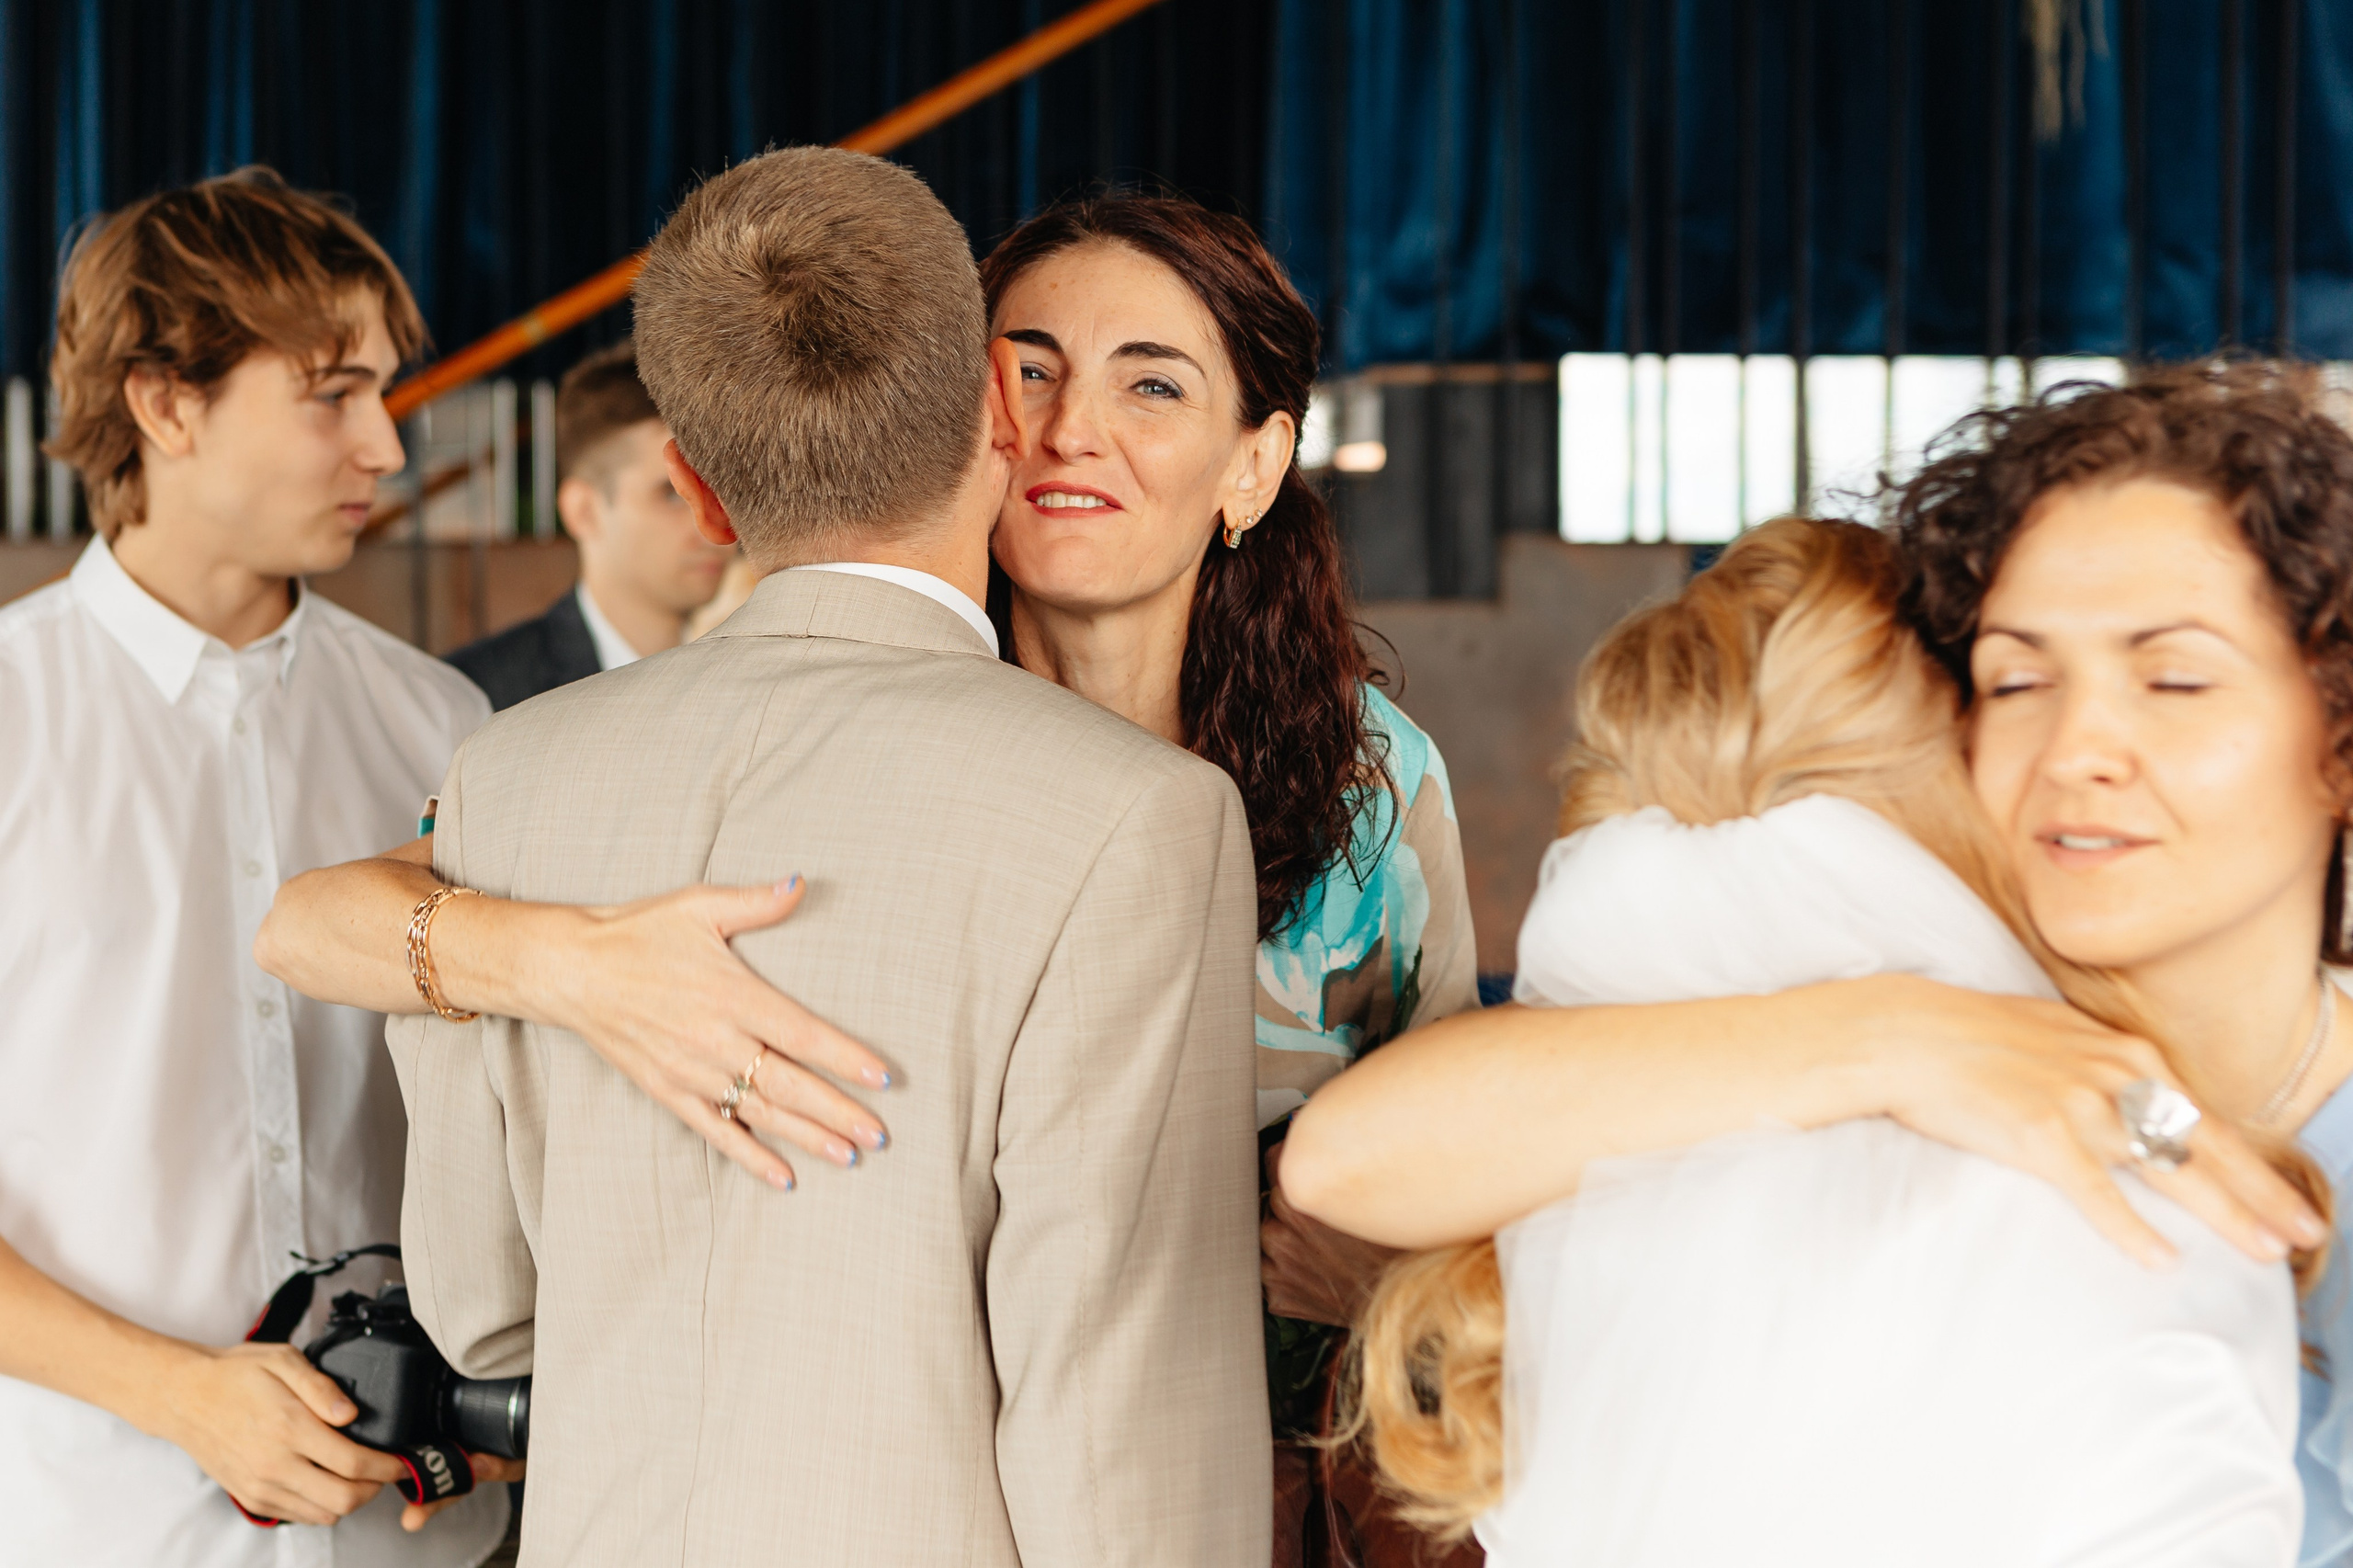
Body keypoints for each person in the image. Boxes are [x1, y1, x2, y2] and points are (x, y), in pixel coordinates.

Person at [259, 191, 1479, 1561]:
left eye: (1151, 382)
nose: (1066, 427)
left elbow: (1478, 1187)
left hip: (1335, 1476)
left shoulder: (1375, 780)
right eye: (1028, 370)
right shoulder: (908, 765)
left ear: (1253, 464)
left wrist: (1381, 1275)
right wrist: (577, 966)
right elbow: (317, 919)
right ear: (965, 417)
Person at [1280, 365, 2353, 1562]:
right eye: (2019, 678)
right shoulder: (1859, 1054)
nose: (2078, 744)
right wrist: (1895, 1036)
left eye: (2179, 676)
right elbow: (1351, 1153)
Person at [0, 168, 511, 1562]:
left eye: (384, 394)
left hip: (412, 1530)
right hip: (92, 1521)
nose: (388, 449)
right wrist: (180, 1394)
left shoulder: (443, 723)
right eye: (333, 393)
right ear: (167, 403)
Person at [446, 339, 731, 710]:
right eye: (671, 494)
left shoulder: (741, 685)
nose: (713, 519)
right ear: (583, 511)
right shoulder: (476, 695)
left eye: (723, 490)